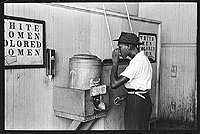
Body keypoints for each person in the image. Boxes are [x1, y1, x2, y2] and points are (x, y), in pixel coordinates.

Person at [110, 32, 152, 130]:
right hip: (142, 99)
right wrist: (125, 96)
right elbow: (139, 86)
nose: (118, 51)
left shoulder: (137, 63)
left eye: (120, 47)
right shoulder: (143, 60)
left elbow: (114, 84)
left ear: (129, 46)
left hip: (136, 103)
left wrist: (115, 62)